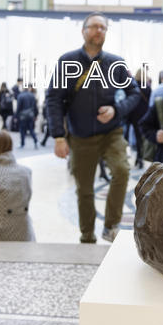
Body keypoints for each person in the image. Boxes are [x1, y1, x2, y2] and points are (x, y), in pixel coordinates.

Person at [46, 12, 140, 244]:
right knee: (85, 189)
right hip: (80, 136)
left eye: (104, 28)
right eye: (95, 26)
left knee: (122, 172)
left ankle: (110, 226)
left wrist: (116, 110)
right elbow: (54, 99)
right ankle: (87, 234)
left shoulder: (116, 63)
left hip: (112, 133)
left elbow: (135, 93)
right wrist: (59, 136)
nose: (99, 31)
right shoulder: (67, 61)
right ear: (84, 30)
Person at [123, 68, 152, 168]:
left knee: (131, 136)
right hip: (143, 116)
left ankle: (132, 158)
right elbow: (150, 102)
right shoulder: (147, 88)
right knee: (141, 138)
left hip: (132, 115)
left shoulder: (132, 86)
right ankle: (140, 159)